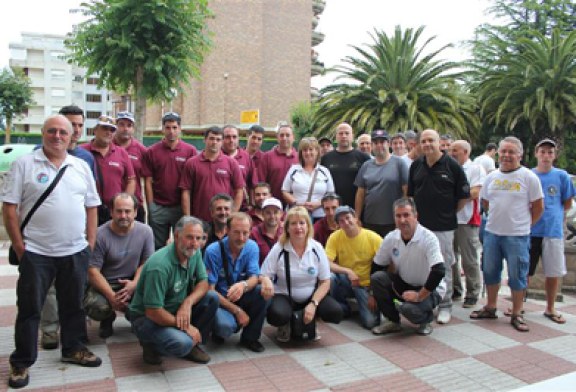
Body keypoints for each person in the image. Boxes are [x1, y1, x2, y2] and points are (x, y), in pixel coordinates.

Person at [2, 115, 102, 389]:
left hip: (74, 252)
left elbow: (92, 206)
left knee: (73, 307)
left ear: (72, 137)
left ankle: (73, 349)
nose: (57, 136)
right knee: (30, 310)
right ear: (43, 134)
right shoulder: (24, 164)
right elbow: (9, 208)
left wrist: (89, 243)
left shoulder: (81, 166)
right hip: (36, 252)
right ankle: (21, 362)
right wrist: (21, 248)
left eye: (63, 132)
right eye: (51, 131)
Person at [470, 136, 544, 333]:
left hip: (517, 236)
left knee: (517, 274)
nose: (506, 155)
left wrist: (525, 225)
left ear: (520, 154)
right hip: (492, 234)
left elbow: (538, 207)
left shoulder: (529, 177)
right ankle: (491, 306)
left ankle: (517, 312)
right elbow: (485, 203)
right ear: (498, 153)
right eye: (503, 151)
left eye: (511, 152)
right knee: (490, 271)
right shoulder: (492, 177)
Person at [39, 105, 96, 351]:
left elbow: (91, 201)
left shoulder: (85, 158)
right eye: (70, 125)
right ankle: (50, 330)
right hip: (43, 242)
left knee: (74, 288)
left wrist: (90, 241)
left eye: (79, 126)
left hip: (77, 240)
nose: (74, 131)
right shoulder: (35, 157)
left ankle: (74, 339)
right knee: (49, 289)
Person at [128, 216, 219, 365]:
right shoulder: (160, 266)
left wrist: (188, 303)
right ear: (176, 236)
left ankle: (192, 345)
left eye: (199, 238)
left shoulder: (194, 253)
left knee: (211, 298)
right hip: (147, 319)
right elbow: (153, 311)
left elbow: (203, 282)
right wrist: (186, 327)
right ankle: (150, 345)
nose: (195, 243)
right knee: (182, 344)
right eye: (189, 237)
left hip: (174, 308)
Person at [407, 129, 470, 325]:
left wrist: (449, 213)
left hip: (443, 227)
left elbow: (463, 197)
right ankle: (425, 301)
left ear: (439, 142)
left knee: (443, 267)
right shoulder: (416, 165)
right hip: (420, 227)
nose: (427, 144)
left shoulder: (453, 166)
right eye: (423, 141)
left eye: (431, 140)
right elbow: (410, 195)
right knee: (422, 265)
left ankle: (445, 305)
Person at [261, 206, 343, 342]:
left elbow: (325, 281)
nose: (298, 227)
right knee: (277, 314)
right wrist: (266, 281)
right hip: (285, 295)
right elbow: (264, 274)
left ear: (308, 226)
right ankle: (284, 324)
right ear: (287, 228)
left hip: (311, 295)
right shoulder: (279, 248)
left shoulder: (316, 248)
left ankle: (312, 321)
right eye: (293, 223)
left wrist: (314, 303)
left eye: (302, 223)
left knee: (335, 312)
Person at [371, 198, 446, 336]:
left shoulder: (428, 238)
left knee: (409, 309)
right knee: (377, 278)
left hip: (429, 288)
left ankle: (425, 320)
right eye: (398, 216)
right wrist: (372, 294)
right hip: (404, 283)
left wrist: (419, 296)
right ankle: (393, 321)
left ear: (415, 216)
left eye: (406, 215)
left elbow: (439, 270)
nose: (402, 220)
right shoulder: (391, 238)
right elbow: (377, 265)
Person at [84, 193, 154, 339]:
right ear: (111, 212)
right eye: (119, 211)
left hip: (132, 281)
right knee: (97, 307)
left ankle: (136, 319)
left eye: (128, 211)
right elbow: (92, 271)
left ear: (135, 212)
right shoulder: (100, 235)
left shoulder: (146, 232)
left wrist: (134, 284)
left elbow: (146, 263)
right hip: (106, 283)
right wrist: (112, 297)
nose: (123, 216)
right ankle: (107, 318)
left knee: (152, 297)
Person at [204, 213, 272, 352]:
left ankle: (250, 338)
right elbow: (210, 290)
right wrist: (237, 311)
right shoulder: (213, 251)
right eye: (236, 232)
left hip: (242, 294)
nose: (241, 238)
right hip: (221, 299)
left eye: (245, 233)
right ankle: (219, 330)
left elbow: (254, 276)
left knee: (262, 291)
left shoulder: (252, 246)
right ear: (227, 230)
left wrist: (244, 285)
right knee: (225, 327)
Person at [529, 138, 574, 324]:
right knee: (525, 270)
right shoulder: (529, 174)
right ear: (536, 153)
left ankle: (550, 307)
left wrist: (555, 217)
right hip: (531, 230)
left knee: (553, 272)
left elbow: (567, 202)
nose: (546, 155)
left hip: (553, 231)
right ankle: (517, 304)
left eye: (550, 152)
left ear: (554, 155)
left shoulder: (562, 176)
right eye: (542, 151)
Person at [142, 112, 197, 249]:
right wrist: (151, 206)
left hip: (180, 207)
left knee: (182, 244)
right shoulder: (152, 151)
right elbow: (148, 180)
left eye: (174, 127)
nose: (171, 131)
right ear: (162, 128)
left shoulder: (190, 151)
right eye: (167, 127)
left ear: (179, 128)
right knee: (157, 247)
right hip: (159, 207)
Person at [326, 206, 382, 329]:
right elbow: (327, 263)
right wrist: (347, 271)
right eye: (341, 220)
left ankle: (373, 306)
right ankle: (343, 308)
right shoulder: (335, 237)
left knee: (370, 323)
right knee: (331, 277)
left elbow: (385, 266)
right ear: (338, 224)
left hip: (366, 285)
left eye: (348, 218)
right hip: (348, 280)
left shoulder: (373, 237)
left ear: (355, 218)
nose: (345, 222)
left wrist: (374, 293)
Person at [180, 126, 244, 223]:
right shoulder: (192, 163)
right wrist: (188, 219)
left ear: (222, 142)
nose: (214, 142)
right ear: (205, 140)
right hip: (199, 220)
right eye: (211, 139)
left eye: (218, 139)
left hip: (223, 220)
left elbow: (239, 191)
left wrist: (232, 216)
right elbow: (186, 192)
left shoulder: (231, 163)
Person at [81, 115, 136, 226]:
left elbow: (131, 180)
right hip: (87, 209)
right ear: (95, 130)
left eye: (112, 130)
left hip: (113, 212)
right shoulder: (82, 152)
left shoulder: (121, 153)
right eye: (105, 128)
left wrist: (124, 204)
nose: (109, 132)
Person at [450, 140, 486, 308]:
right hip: (449, 220)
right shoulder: (449, 167)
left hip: (467, 220)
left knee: (469, 259)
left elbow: (475, 192)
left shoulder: (476, 169)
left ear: (465, 151)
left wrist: (455, 199)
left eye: (455, 150)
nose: (451, 153)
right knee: (451, 258)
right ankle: (456, 290)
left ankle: (472, 292)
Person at [355, 129, 408, 238]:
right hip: (370, 220)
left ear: (388, 144)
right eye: (376, 142)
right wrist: (357, 217)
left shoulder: (399, 164)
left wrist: (403, 218)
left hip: (393, 222)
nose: (379, 145)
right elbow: (360, 194)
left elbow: (406, 193)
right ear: (372, 146)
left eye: (382, 142)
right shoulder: (366, 166)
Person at [282, 137, 334, 220]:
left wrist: (318, 204)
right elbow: (285, 191)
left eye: (311, 149)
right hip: (298, 215)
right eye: (305, 150)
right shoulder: (294, 170)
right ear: (301, 153)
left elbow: (331, 194)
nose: (308, 152)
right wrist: (297, 203)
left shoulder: (324, 171)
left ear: (317, 151)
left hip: (320, 216)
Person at [321, 122, 371, 208]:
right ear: (336, 136)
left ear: (352, 136)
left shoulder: (364, 158)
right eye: (340, 133)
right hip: (332, 209)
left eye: (347, 133)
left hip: (357, 208)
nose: (344, 136)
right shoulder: (326, 158)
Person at [113, 111, 148, 222]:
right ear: (116, 126)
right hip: (112, 205)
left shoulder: (141, 150)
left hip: (135, 204)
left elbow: (148, 178)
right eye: (122, 124)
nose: (125, 128)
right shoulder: (108, 147)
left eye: (129, 125)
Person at [257, 123, 299, 203]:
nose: (284, 138)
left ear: (293, 137)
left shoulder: (300, 158)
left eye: (287, 135)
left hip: (295, 204)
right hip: (272, 204)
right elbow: (261, 182)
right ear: (277, 138)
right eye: (281, 135)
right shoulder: (267, 157)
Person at [222, 125, 254, 210]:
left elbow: (251, 184)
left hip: (242, 207)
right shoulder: (217, 156)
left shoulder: (246, 157)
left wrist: (251, 204)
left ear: (238, 138)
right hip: (220, 206)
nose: (231, 140)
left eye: (234, 137)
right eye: (227, 137)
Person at [250, 197, 284, 266]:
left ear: (281, 214)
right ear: (262, 214)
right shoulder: (253, 233)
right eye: (268, 213)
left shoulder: (287, 232)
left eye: (275, 212)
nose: (272, 216)